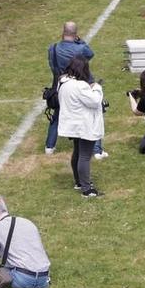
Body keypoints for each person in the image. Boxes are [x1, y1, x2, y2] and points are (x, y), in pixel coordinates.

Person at [57, 55, 107, 198]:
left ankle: (79, 182)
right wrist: (97, 87)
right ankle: (87, 189)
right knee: (84, 156)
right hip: (84, 125)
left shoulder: (62, 82)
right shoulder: (80, 86)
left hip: (73, 124)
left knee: (78, 153)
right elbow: (95, 101)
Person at [45, 21, 92, 154]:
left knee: (57, 115)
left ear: (63, 32)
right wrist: (80, 41)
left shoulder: (52, 48)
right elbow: (90, 54)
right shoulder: (80, 49)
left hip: (59, 87)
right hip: (77, 88)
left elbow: (52, 66)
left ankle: (49, 146)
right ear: (75, 34)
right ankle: (95, 149)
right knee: (87, 115)